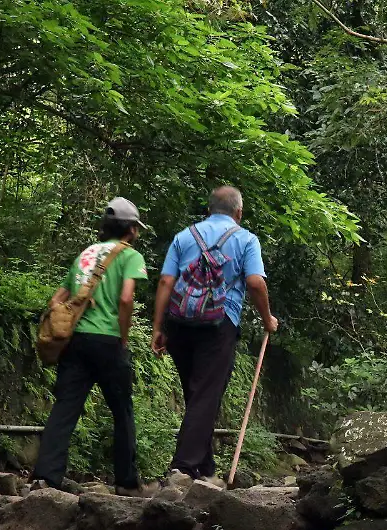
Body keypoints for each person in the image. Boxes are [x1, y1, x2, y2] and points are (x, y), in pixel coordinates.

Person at [151, 186, 278, 485]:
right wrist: (267, 318)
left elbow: (166, 281)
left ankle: (204, 466)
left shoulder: (184, 237)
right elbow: (255, 283)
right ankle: (183, 467)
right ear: (239, 212)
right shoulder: (246, 239)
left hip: (180, 323)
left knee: (197, 394)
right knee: (205, 395)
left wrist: (159, 327)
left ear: (208, 209)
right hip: (219, 323)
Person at [32, 197, 157, 497]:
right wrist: (122, 337)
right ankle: (126, 483)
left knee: (65, 408)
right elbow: (126, 299)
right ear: (131, 229)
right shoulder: (130, 256)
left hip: (74, 341)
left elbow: (56, 300)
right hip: (107, 340)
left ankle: (45, 479)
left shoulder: (85, 255)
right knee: (122, 410)